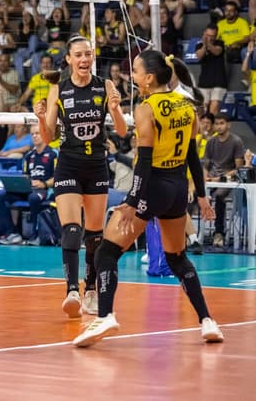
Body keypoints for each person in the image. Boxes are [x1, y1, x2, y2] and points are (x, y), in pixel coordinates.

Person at [73, 51, 224, 347]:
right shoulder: (188, 106)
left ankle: (105, 316)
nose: (134, 76)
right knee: (177, 259)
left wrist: (131, 201)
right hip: (179, 190)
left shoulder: (147, 108)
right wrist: (203, 197)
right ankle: (208, 321)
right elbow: (193, 157)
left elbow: (143, 161)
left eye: (137, 72)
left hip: (152, 187)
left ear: (150, 78)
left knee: (107, 252)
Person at [35, 35, 128, 318]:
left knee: (95, 235)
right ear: (69, 59)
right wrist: (40, 117)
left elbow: (123, 131)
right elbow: (48, 137)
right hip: (69, 165)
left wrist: (115, 111)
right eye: (78, 55)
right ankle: (71, 290)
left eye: (88, 54)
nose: (84, 59)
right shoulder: (58, 89)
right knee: (72, 229)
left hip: (97, 165)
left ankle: (91, 291)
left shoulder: (105, 85)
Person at [0, 124, 57, 245]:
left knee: (33, 198)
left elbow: (58, 178)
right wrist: (24, 183)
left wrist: (43, 184)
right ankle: (13, 233)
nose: (34, 136)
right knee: (1, 198)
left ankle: (35, 235)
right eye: (32, 134)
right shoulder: (29, 156)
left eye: (37, 133)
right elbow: (26, 175)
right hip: (29, 189)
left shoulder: (53, 154)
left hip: (46, 189)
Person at [202, 108, 245, 248]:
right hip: (211, 179)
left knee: (219, 196)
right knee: (191, 194)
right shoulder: (211, 142)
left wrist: (219, 178)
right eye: (217, 124)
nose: (219, 126)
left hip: (227, 180)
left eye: (222, 123)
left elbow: (238, 168)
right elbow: (206, 165)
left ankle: (218, 233)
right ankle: (189, 235)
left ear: (228, 125)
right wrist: (205, 177)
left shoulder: (236, 142)